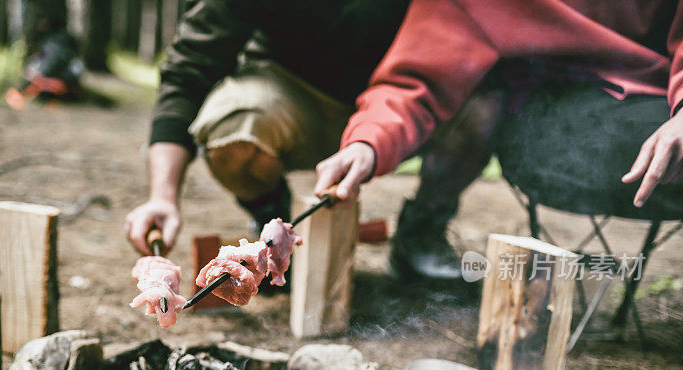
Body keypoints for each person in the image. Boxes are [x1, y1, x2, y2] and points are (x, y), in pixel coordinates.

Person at [124, 0, 496, 279]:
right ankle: (271, 226)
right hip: (294, 93)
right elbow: (189, 70)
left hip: (408, 101)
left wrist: (373, 134)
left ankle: (422, 230)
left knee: (489, 99)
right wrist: (162, 196)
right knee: (231, 127)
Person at [315, 0, 683, 261]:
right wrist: (367, 142)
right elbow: (413, 80)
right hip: (544, 125)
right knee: (482, 95)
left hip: (661, 99)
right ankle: (423, 227)